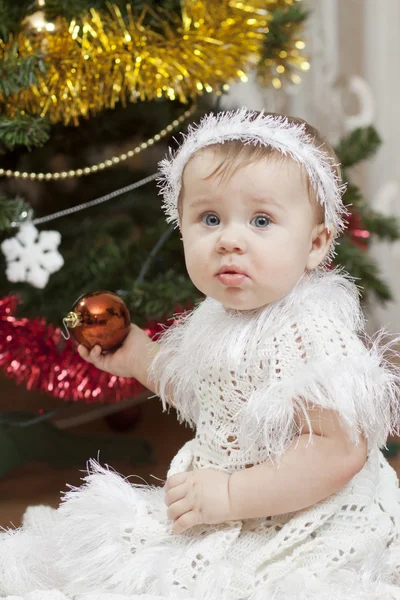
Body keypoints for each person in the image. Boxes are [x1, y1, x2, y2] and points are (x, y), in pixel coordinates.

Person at [1, 108, 400, 600]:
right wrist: (138, 358)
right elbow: (210, 392)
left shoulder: (308, 331)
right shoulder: (218, 314)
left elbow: (338, 449)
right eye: (210, 218)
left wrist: (232, 496)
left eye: (261, 220)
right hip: (226, 499)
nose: (229, 240)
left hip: (307, 515)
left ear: (315, 244)